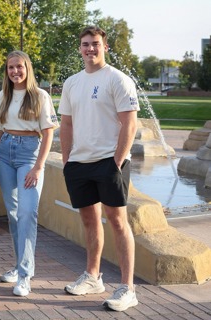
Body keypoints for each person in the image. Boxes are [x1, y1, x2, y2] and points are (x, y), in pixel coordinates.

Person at [59, 26, 140, 312]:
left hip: (109, 161)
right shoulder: (72, 83)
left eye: (95, 44)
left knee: (117, 222)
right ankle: (93, 277)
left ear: (105, 46)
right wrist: (67, 160)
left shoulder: (118, 79)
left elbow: (130, 123)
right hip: (79, 163)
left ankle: (128, 288)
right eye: (85, 44)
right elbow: (66, 124)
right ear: (79, 48)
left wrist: (117, 161)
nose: (90, 49)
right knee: (90, 221)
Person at [0, 51, 59, 297]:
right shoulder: (4, 96)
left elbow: (48, 133)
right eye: (10, 68)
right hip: (5, 153)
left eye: (19, 67)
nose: (15, 71)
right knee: (14, 213)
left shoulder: (40, 96)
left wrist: (39, 166)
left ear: (27, 68)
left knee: (28, 212)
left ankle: (25, 275)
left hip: (29, 154)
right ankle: (19, 267)